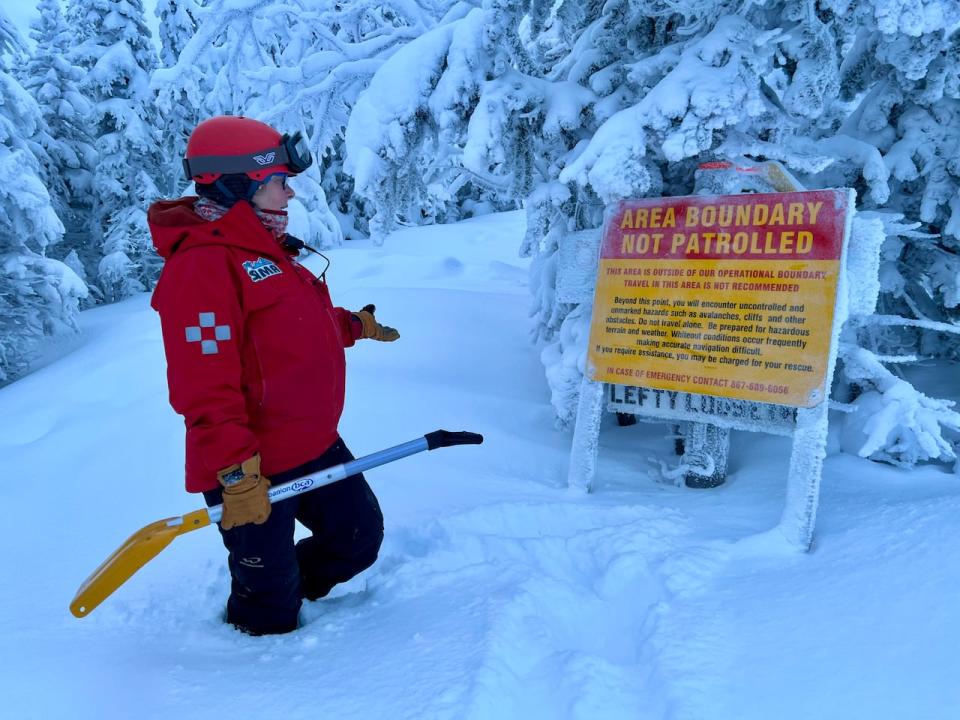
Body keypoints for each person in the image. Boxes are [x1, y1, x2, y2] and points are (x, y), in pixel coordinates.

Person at [147, 115, 398, 635]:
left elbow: (292, 323)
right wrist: (236, 473)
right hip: (250, 465)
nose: (289, 193)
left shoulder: (263, 246)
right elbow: (203, 384)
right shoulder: (204, 266)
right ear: (238, 186)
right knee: (268, 604)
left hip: (313, 442)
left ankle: (288, 587)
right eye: (278, 183)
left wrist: (353, 325)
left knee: (357, 539)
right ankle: (260, 651)